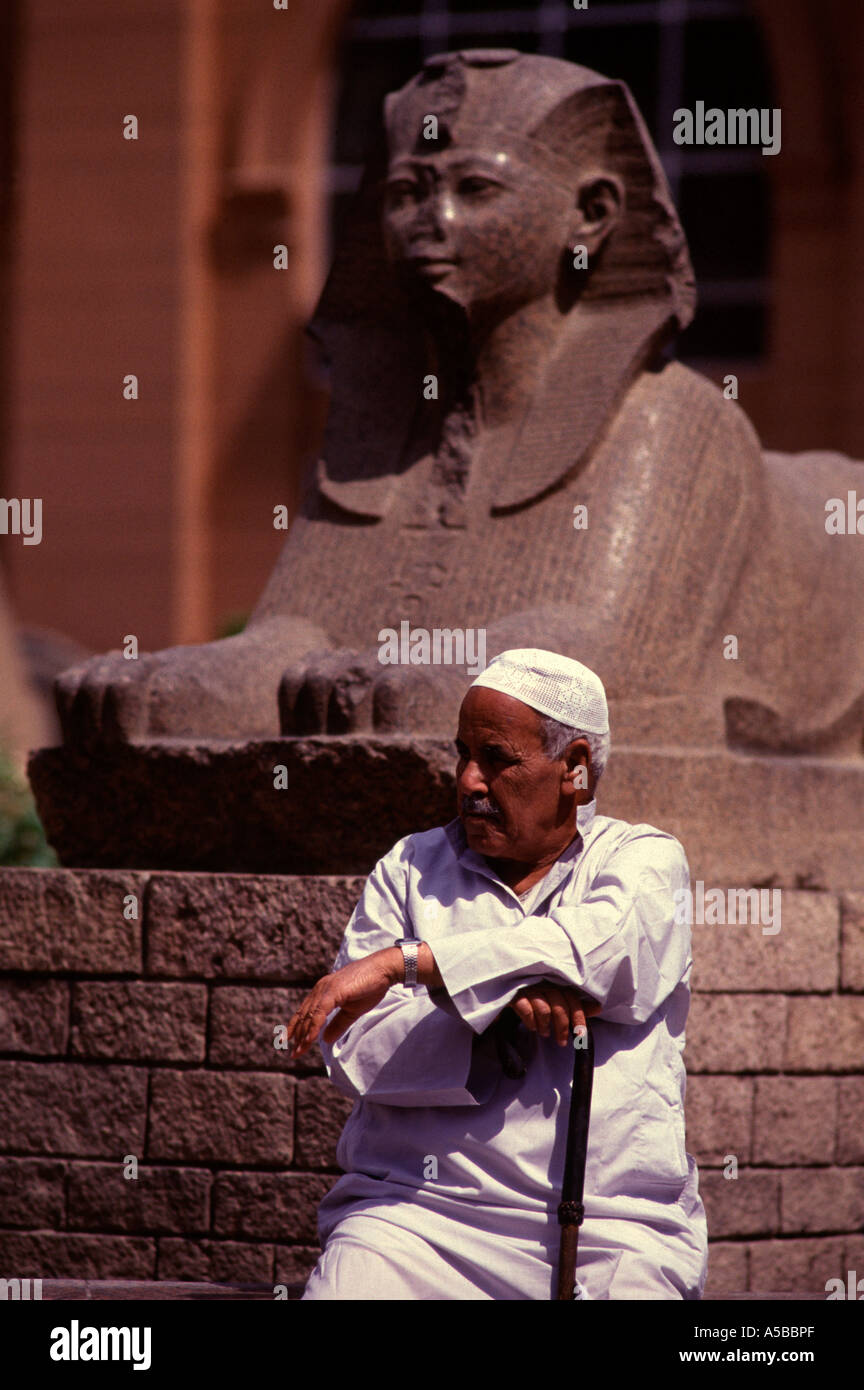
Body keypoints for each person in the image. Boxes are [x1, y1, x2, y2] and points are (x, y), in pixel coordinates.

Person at [287, 648, 708, 1300]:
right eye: (462, 754)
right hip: (417, 1218)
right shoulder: (414, 865)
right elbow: (354, 1048)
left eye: (498, 759)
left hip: (612, 1230)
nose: (468, 782)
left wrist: (412, 964)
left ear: (575, 771)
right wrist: (494, 1000)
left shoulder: (644, 862)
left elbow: (597, 952)